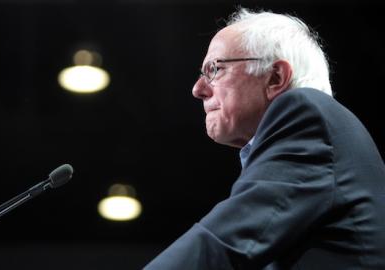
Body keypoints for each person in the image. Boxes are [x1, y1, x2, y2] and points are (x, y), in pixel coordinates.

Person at [144, 7, 385, 270]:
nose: (198, 89)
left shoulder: (306, 112)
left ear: (275, 77)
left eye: (214, 69)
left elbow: (223, 243)